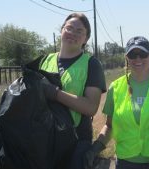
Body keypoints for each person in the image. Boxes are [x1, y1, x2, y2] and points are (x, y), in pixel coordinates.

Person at [84, 36, 149, 169]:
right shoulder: (115, 87)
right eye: (133, 54)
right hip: (125, 162)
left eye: (143, 54)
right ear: (127, 58)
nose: (138, 59)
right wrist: (95, 148)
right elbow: (109, 126)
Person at [39, 13, 106, 169]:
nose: (73, 33)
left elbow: (91, 108)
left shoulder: (91, 64)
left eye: (79, 31)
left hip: (76, 141)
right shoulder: (44, 60)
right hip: (44, 138)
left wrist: (55, 93)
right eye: (69, 28)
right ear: (62, 30)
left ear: (86, 39)